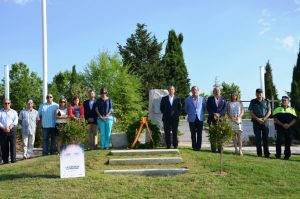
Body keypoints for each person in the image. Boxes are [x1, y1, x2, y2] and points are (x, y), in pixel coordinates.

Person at [248, 88, 271, 158]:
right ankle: (259, 154)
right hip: (256, 121)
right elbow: (251, 112)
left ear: (262, 93)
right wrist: (258, 119)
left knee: (265, 138)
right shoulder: (253, 101)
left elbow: (269, 112)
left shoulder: (267, 101)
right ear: (256, 94)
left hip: (265, 121)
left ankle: (267, 154)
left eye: (260, 93)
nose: (259, 94)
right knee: (258, 138)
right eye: (258, 93)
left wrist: (264, 119)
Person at [185, 86, 206, 151]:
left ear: (198, 91)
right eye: (193, 90)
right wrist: (190, 113)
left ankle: (198, 147)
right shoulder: (187, 99)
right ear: (191, 91)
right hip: (191, 118)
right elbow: (186, 109)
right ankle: (194, 146)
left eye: (196, 90)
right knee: (193, 133)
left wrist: (200, 113)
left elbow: (204, 108)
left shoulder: (202, 99)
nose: (195, 91)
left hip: (200, 118)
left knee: (199, 133)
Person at [207, 87, 227, 152]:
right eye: (215, 91)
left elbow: (225, 109)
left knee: (221, 134)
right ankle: (213, 149)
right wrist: (214, 114)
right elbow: (208, 108)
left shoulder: (223, 99)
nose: (216, 92)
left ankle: (220, 149)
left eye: (218, 90)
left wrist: (219, 114)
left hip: (221, 119)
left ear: (220, 91)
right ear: (213, 92)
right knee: (212, 134)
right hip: (212, 119)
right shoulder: (210, 99)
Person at [0, 99, 18, 163]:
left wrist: (11, 126)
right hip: (2, 130)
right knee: (4, 146)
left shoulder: (14, 112)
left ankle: (13, 160)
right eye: (5, 103)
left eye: (8, 103)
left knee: (13, 145)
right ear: (3, 104)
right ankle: (5, 161)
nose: (7, 104)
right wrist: (3, 127)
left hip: (12, 130)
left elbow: (16, 120)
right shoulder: (0, 112)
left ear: (10, 104)